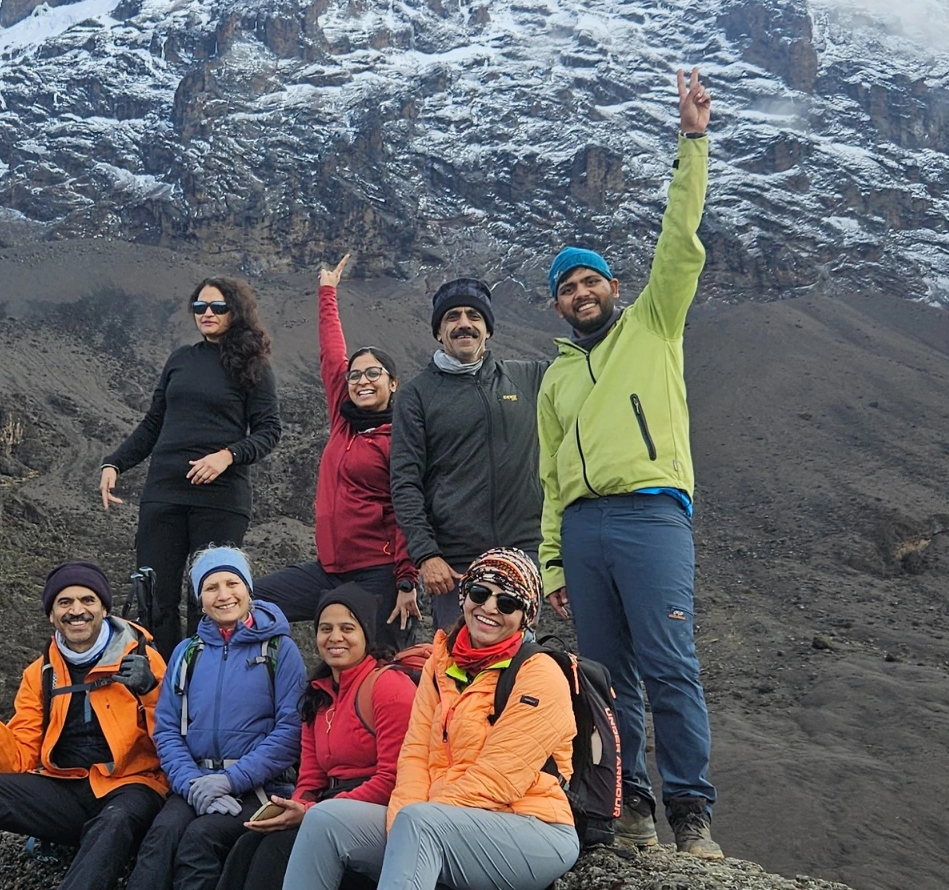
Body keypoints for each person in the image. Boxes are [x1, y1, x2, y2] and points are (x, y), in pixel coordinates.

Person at [537, 67, 721, 859]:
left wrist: (692, 140)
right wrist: (550, 563)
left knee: (670, 662)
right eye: (567, 287)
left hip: (650, 513)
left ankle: (693, 814)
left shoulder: (654, 323)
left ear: (614, 286)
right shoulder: (555, 376)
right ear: (556, 303)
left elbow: (680, 239)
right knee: (604, 678)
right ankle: (629, 805)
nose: (581, 293)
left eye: (590, 280)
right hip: (582, 529)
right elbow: (548, 477)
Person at [283, 549, 578, 890]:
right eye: (481, 593)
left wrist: (416, 821)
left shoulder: (540, 672)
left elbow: (500, 778)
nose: (490, 608)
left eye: (508, 603)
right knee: (323, 819)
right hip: (438, 817)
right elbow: (414, 756)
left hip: (533, 826)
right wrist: (401, 821)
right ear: (465, 596)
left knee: (419, 823)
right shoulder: (441, 664)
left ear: (525, 616)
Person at [0, 561, 167, 890]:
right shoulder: (40, 673)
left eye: (88, 601)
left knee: (114, 820)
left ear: (103, 608)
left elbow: (174, 741)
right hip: (65, 792)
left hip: (131, 787)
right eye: (65, 602)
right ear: (51, 615)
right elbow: (14, 761)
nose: (77, 611)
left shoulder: (142, 659)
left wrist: (150, 690)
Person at [102, 277, 283, 651]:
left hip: (220, 497)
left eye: (218, 307)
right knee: (154, 596)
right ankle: (161, 690)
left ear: (236, 311)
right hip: (164, 493)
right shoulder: (181, 359)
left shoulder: (255, 365)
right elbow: (154, 422)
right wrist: (115, 463)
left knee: (210, 598)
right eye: (200, 307)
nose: (207, 314)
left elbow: (269, 430)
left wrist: (227, 456)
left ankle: (205, 685)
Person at [255, 254, 421, 645]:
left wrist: (407, 579)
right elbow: (332, 357)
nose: (362, 380)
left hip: (378, 571)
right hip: (330, 570)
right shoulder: (343, 420)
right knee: (250, 599)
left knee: (381, 661)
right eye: (356, 374)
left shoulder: (403, 437)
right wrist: (327, 291)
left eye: (373, 373)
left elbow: (408, 509)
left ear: (393, 383)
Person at [216, 583, 418, 890]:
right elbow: (310, 779)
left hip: (377, 811)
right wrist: (296, 807)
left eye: (347, 628)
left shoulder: (390, 687)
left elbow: (394, 778)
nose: (335, 637)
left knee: (278, 850)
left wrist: (311, 813)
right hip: (328, 805)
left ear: (366, 634)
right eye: (326, 628)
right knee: (247, 845)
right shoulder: (318, 695)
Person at [127, 547, 305, 890]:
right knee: (160, 838)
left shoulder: (279, 650)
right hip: (194, 781)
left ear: (248, 588)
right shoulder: (187, 652)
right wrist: (192, 783)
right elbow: (167, 730)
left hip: (260, 788)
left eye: (232, 583)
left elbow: (290, 731)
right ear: (199, 598)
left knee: (199, 840)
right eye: (211, 587)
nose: (224, 595)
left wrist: (230, 780)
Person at [388, 276, 547, 630]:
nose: (464, 324)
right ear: (438, 332)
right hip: (455, 563)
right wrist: (426, 555)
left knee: (520, 665)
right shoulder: (417, 394)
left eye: (474, 316)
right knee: (458, 668)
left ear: (487, 329)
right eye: (452, 317)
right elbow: (405, 482)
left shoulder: (529, 377)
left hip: (525, 552)